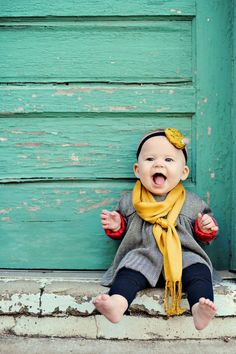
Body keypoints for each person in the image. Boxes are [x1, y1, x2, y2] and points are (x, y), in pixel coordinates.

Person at [93, 128, 218, 330]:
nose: (159, 164)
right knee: (128, 271)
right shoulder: (131, 202)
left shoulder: (192, 203)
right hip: (143, 255)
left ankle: (198, 308)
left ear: (184, 172)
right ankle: (117, 303)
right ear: (137, 169)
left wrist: (206, 227)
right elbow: (122, 230)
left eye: (169, 160)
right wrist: (116, 225)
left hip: (182, 255)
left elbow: (204, 235)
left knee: (199, 270)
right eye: (150, 159)